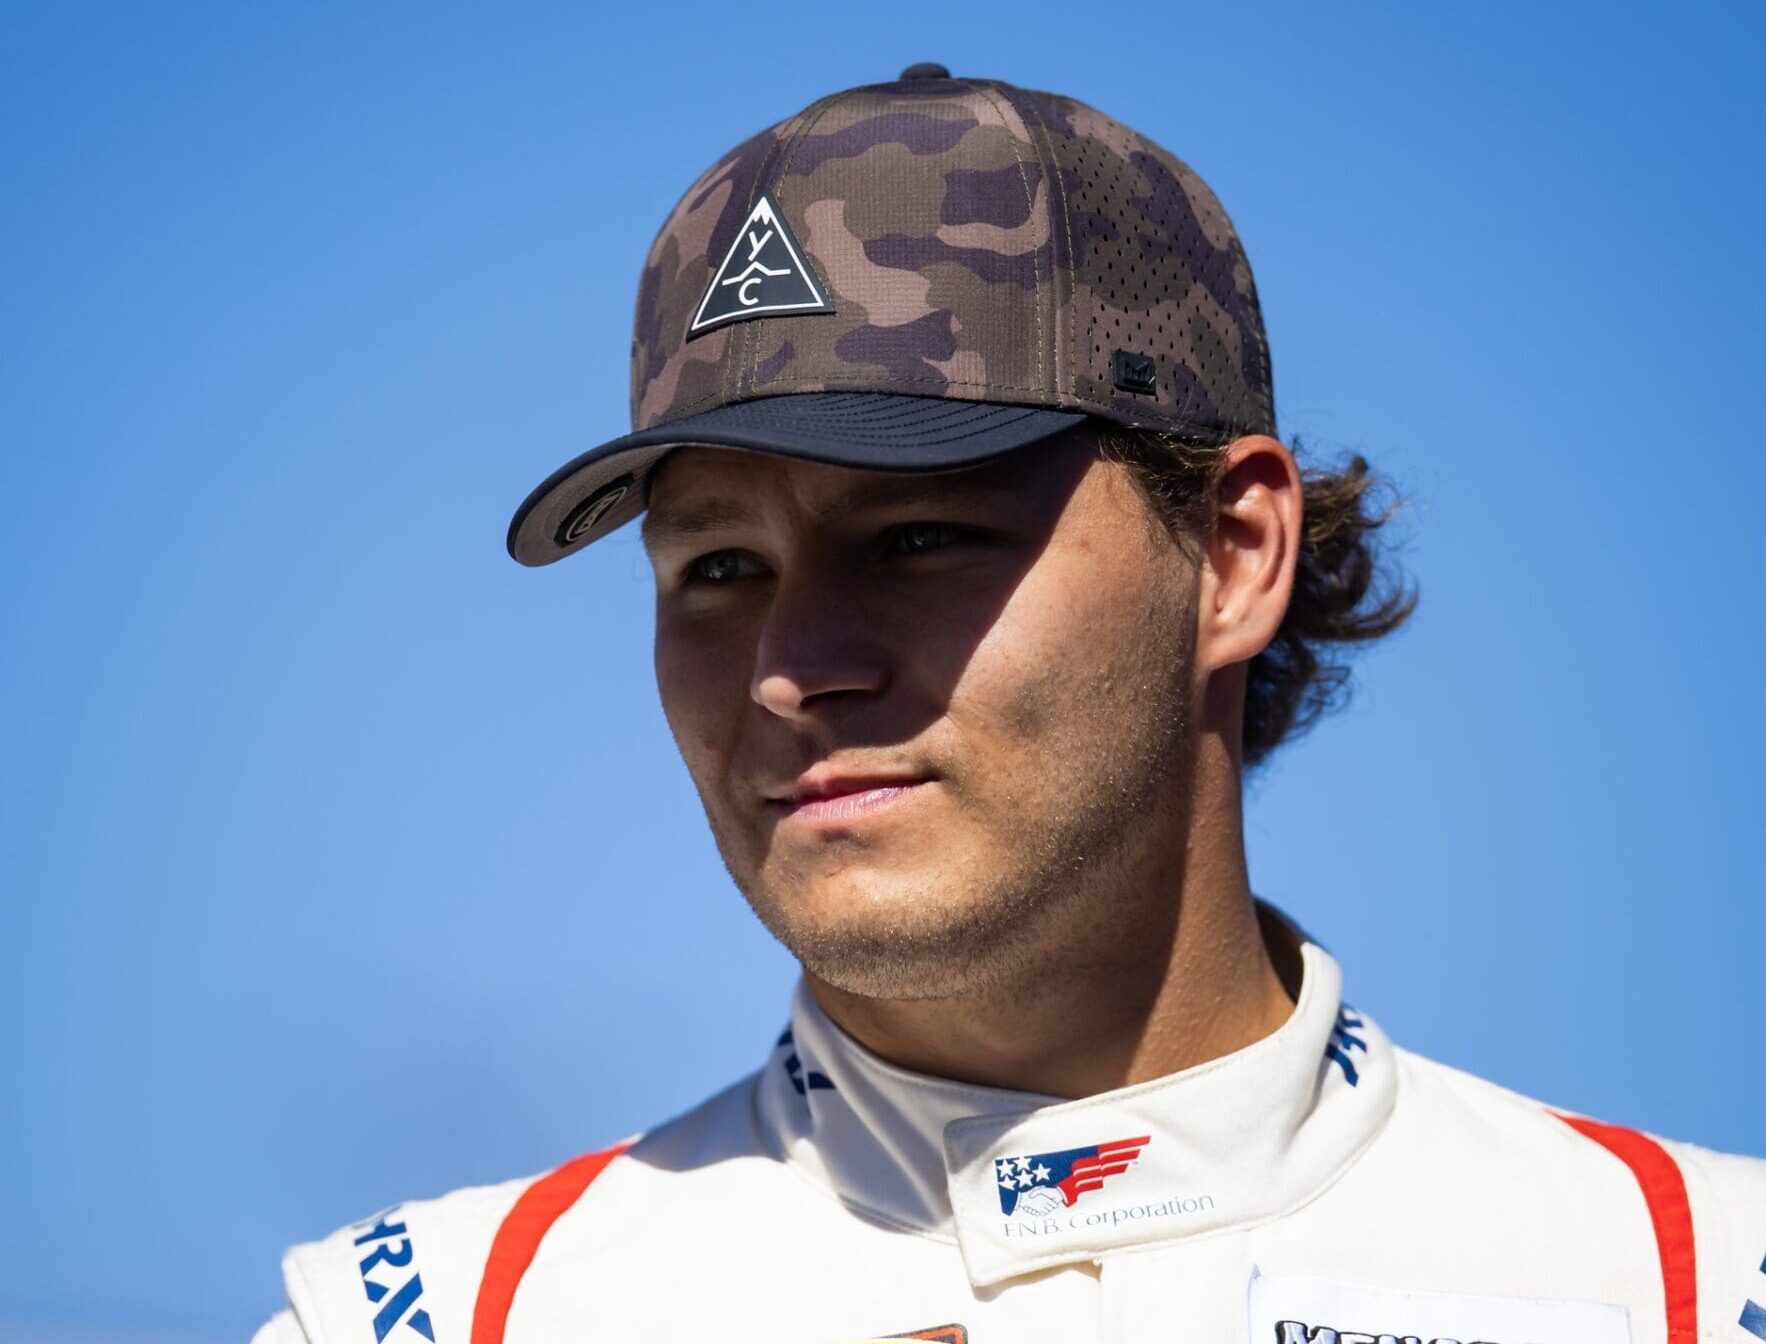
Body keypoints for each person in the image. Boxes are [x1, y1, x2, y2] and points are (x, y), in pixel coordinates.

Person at [253, 65, 1766, 1344]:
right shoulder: (440, 1315)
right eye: (716, 564)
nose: (794, 661)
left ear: (1233, 556)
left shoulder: (1688, 1283)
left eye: (920, 536)